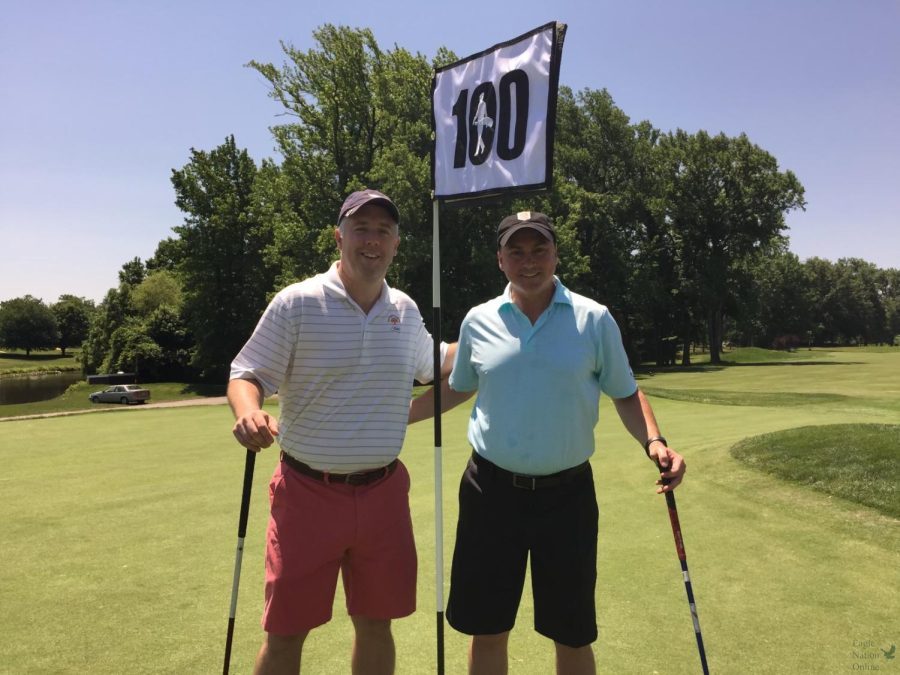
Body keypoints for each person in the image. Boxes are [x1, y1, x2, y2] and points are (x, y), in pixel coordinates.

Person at [442, 211, 687, 675]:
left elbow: (625, 389)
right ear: (500, 259)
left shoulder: (593, 319)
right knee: (488, 628)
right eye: (516, 250)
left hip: (567, 496)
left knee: (571, 632)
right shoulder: (479, 320)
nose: (528, 261)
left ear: (556, 254)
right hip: (489, 493)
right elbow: (460, 385)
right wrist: (402, 417)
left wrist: (655, 440)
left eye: (539, 250)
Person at [227, 189, 453, 675]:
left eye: (383, 231)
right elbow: (247, 374)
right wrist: (248, 413)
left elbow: (438, 367)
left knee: (377, 623)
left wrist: (489, 336)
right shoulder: (297, 303)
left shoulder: (406, 311)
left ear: (396, 244)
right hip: (308, 492)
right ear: (339, 237)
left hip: (384, 494)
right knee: (286, 630)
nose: (372, 240)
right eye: (361, 228)